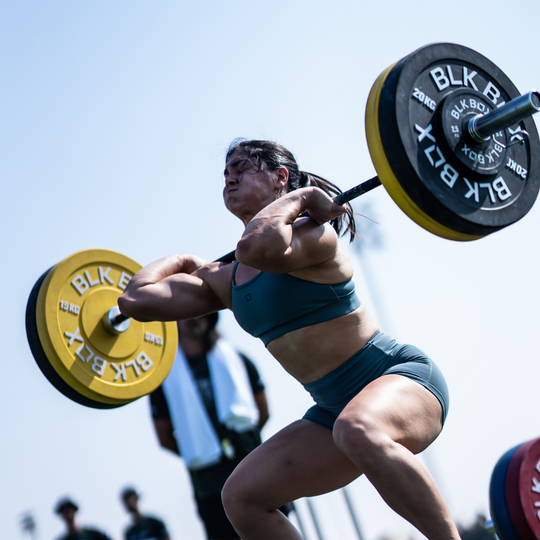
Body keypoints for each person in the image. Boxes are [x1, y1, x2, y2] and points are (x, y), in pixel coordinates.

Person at [118, 139, 459, 540]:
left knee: (357, 428)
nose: (229, 177)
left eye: (241, 168)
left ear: (280, 177)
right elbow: (135, 301)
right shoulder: (225, 278)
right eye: (225, 173)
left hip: (401, 378)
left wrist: (304, 197)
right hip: (334, 413)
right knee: (241, 496)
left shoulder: (316, 235)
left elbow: (260, 246)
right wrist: (182, 262)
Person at [150, 312, 273, 540]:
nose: (193, 317)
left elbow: (262, 412)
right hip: (209, 484)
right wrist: (199, 448)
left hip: (252, 468)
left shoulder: (238, 360)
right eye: (184, 312)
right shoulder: (162, 377)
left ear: (210, 319)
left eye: (200, 312)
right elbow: (164, 436)